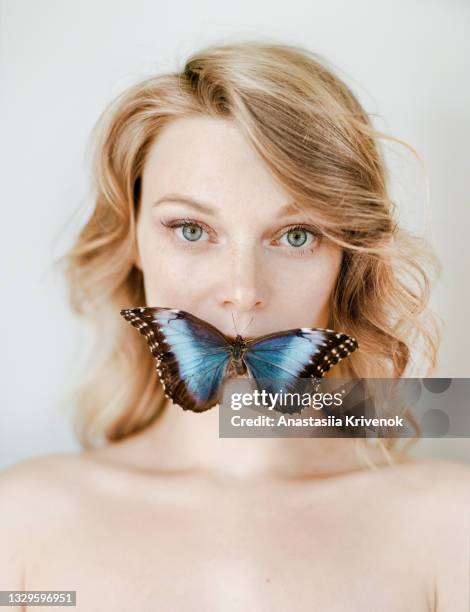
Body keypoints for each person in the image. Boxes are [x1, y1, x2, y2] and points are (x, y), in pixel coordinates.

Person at [1, 41, 468, 611]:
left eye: (296, 236)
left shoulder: (451, 526)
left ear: (349, 259)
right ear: (133, 243)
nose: (243, 293)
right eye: (192, 230)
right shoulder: (20, 524)